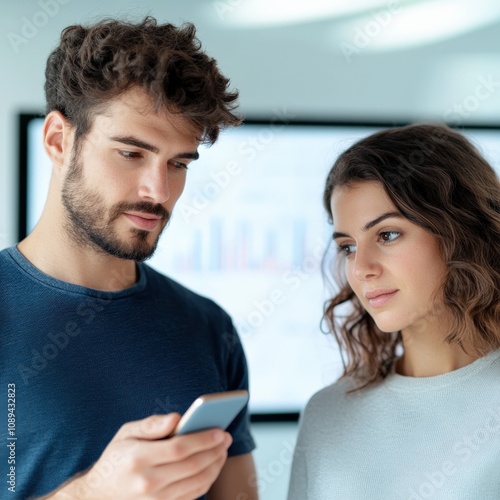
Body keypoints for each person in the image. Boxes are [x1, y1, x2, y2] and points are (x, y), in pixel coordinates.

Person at [0, 17, 258, 500]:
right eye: (131, 154)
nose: (158, 192)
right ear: (59, 139)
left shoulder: (207, 326)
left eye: (178, 163)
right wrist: (91, 493)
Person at [287, 123, 500, 499]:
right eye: (348, 246)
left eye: (387, 235)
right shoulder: (327, 415)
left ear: (460, 233)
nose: (361, 268)